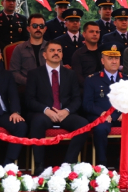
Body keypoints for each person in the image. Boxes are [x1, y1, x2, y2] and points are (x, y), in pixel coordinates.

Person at [25, 41, 89, 174]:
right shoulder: (34, 74)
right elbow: (29, 100)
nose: (56, 53)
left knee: (83, 125)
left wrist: (66, 111)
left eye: (59, 51)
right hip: (43, 114)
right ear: (44, 55)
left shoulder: (70, 74)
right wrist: (46, 110)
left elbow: (76, 99)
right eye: (52, 50)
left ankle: (67, 165)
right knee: (37, 122)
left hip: (64, 114)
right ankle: (39, 165)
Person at [83, 43, 128, 169]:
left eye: (116, 58)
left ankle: (126, 161)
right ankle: (102, 163)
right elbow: (87, 104)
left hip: (124, 115)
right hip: (103, 116)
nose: (114, 61)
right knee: (100, 129)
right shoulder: (92, 79)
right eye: (110, 58)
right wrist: (101, 113)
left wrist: (125, 112)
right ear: (102, 60)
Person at [9, 14, 49, 87]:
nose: (38, 29)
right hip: (26, 87)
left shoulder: (52, 48)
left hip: (48, 87)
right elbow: (14, 72)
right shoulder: (19, 49)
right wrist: (29, 82)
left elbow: (58, 69)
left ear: (45, 29)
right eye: (34, 26)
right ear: (28, 29)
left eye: (41, 26)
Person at [71, 21, 102, 87]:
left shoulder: (104, 52)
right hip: (86, 89)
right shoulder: (78, 54)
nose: (95, 34)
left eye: (97, 32)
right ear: (84, 34)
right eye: (91, 31)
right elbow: (78, 77)